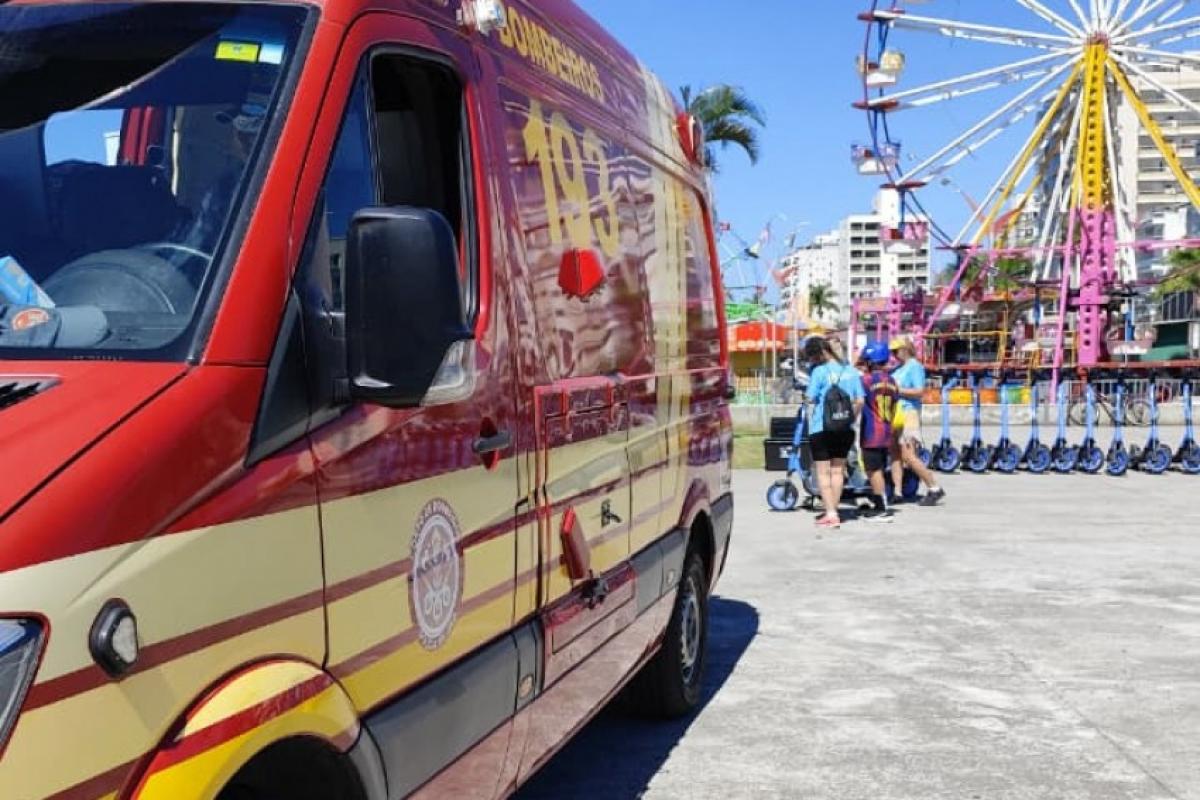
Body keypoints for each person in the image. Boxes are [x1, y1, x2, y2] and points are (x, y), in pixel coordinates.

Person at [804, 336, 865, 529]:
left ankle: (831, 514)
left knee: (823, 473)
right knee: (838, 470)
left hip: (821, 428)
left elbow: (810, 398)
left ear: (820, 353)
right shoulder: (851, 371)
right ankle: (834, 510)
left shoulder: (819, 372)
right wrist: (849, 419)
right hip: (844, 429)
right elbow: (860, 401)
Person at [889, 336, 946, 506]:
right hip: (896, 413)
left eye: (896, 351)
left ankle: (934, 487)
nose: (894, 354)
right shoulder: (898, 368)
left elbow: (919, 391)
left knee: (909, 455)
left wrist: (898, 390)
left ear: (905, 348)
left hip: (909, 413)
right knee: (895, 454)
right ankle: (897, 492)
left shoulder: (915, 367)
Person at [859, 342, 899, 522]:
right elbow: (895, 404)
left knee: (873, 470)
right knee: (880, 469)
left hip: (871, 431)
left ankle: (882, 508)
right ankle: (880, 502)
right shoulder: (892, 381)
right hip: (887, 429)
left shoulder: (866, 380)